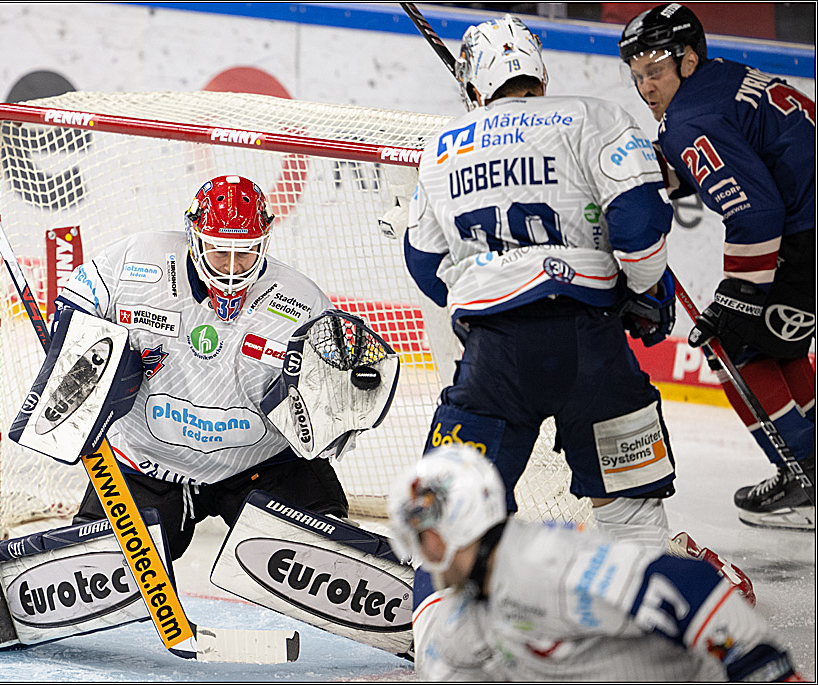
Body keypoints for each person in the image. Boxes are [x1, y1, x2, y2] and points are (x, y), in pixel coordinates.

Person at [403, 13, 753, 600]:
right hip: (595, 350)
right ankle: (643, 644)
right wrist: (640, 294)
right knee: (632, 520)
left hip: (494, 363)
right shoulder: (596, 116)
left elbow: (423, 263)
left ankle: (444, 652)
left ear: (472, 84)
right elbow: (639, 226)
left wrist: (484, 306)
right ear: (540, 72)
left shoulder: (442, 146)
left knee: (449, 515)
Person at [52, 174, 350, 559]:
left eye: (244, 252)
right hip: (147, 463)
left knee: (326, 556)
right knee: (99, 566)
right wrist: (81, 344)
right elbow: (75, 302)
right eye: (217, 250)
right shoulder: (136, 262)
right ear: (193, 236)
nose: (230, 267)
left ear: (265, 243)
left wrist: (340, 404)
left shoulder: (303, 302)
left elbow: (334, 394)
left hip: (260, 464)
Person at [619, 3, 815, 531]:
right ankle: (811, 467)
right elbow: (702, 164)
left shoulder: (692, 116)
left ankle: (805, 477)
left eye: (655, 70)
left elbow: (757, 211)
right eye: (637, 75)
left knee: (728, 341)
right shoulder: (719, 79)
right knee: (779, 341)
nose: (646, 87)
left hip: (803, 231)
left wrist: (736, 295)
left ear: (687, 60)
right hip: (807, 224)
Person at [387, 444, 805, 681]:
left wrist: (768, 671)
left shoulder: (545, 562)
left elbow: (688, 584)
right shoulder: (472, 609)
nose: (421, 554)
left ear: (461, 523)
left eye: (424, 534)